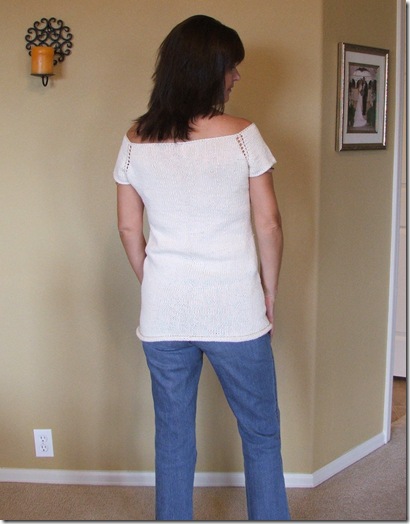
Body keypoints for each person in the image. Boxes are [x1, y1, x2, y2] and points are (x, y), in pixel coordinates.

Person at [113, 14, 290, 521]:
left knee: (172, 436)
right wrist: (269, 292)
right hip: (235, 307)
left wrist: (153, 280)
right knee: (260, 432)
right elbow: (269, 223)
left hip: (164, 311)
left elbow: (128, 228)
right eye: (231, 67)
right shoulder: (242, 136)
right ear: (208, 70)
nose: (236, 76)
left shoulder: (135, 140)